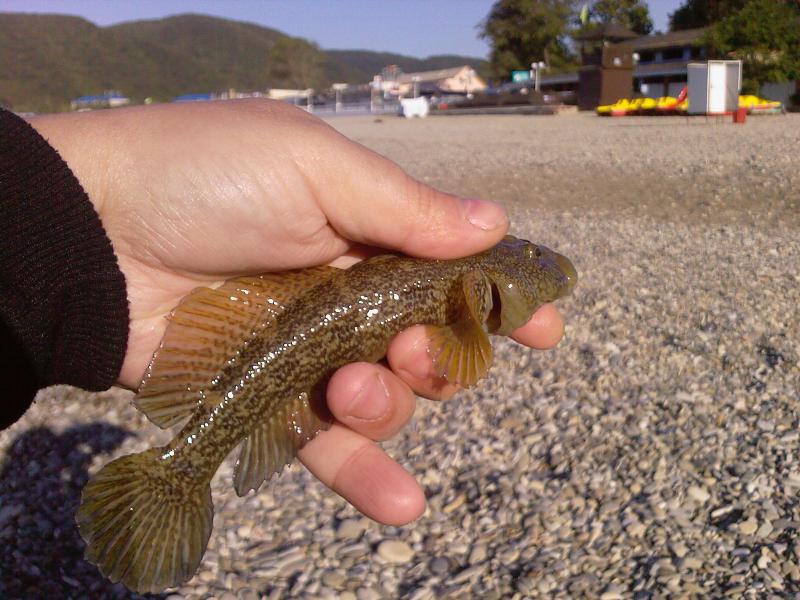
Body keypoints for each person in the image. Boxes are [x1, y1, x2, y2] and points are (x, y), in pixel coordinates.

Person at [0, 99, 565, 527]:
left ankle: (191, 459)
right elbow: (461, 353)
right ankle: (183, 468)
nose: (536, 260)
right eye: (529, 256)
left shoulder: (461, 284)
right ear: (479, 287)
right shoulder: (465, 282)